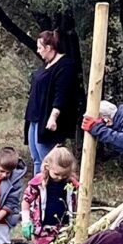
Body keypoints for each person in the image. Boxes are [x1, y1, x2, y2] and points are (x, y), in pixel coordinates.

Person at [24, 27, 85, 172]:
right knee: (37, 158)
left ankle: (53, 189)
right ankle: (37, 191)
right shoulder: (46, 65)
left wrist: (53, 117)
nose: (38, 51)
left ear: (49, 48)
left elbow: (61, 94)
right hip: (35, 117)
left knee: (49, 160)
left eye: (40, 48)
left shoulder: (65, 65)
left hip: (47, 119)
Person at [21, 145, 80, 244]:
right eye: (57, 174)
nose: (60, 178)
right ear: (48, 167)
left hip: (64, 229)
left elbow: (78, 202)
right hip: (43, 229)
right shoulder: (38, 182)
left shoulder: (72, 183)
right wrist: (26, 221)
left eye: (64, 175)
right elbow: (26, 201)